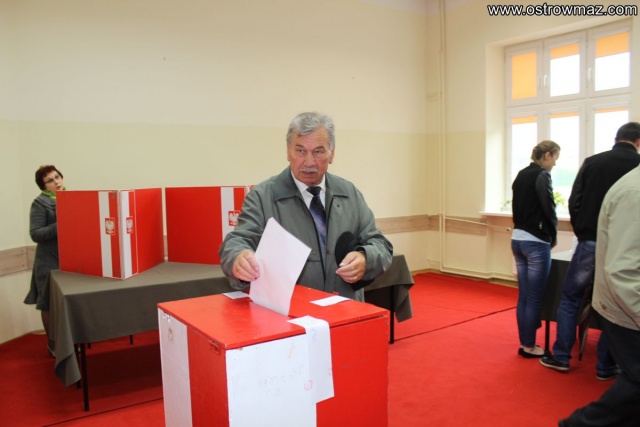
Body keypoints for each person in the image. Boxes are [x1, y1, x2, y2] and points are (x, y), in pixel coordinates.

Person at [219, 111, 393, 301]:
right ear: (288, 151)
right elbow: (237, 242)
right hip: (290, 312)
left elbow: (380, 245)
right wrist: (238, 258)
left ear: (332, 153)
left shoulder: (349, 194)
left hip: (345, 309)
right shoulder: (262, 197)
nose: (309, 162)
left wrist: (366, 258)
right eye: (300, 151)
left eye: (318, 152)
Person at [541, 122, 640, 379]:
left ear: (616, 138)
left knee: (570, 298)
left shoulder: (593, 162)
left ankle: (561, 356)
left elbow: (575, 200)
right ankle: (606, 366)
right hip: (621, 247)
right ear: (638, 142)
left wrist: (583, 231)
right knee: (614, 305)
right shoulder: (637, 167)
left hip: (589, 242)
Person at [559, 162, 640, 426]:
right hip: (627, 308)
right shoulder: (634, 192)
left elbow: (575, 202)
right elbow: (623, 272)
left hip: (621, 298)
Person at [511, 140, 561, 358]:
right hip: (536, 242)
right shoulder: (542, 175)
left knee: (524, 296)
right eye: (555, 158)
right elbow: (549, 208)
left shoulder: (521, 174)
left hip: (517, 239)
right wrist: (552, 236)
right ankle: (530, 346)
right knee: (533, 298)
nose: (555, 164)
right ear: (547, 155)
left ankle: (525, 343)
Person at [23, 165, 65, 356]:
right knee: (48, 303)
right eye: (50, 180)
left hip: (68, 259)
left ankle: (68, 342)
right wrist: (61, 222)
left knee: (65, 302)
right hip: (48, 261)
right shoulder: (39, 203)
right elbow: (35, 234)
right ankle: (53, 345)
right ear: (43, 186)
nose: (56, 182)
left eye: (57, 177)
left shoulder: (70, 198)